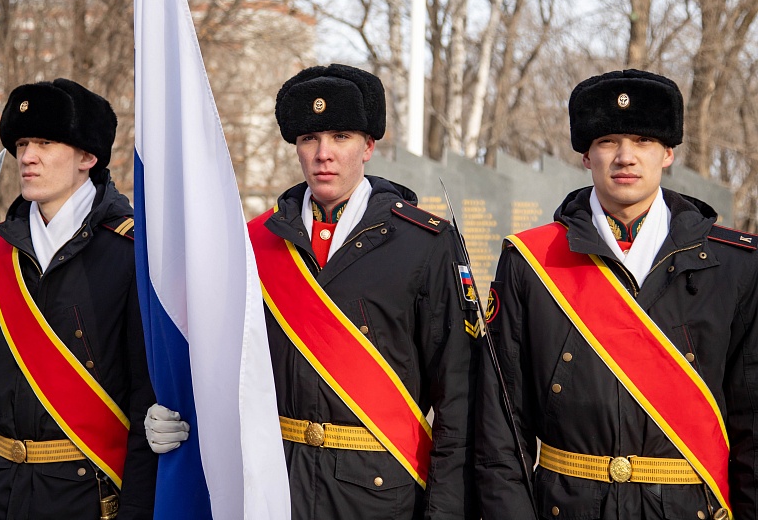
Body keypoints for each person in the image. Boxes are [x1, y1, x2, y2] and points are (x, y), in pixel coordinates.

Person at [145, 64, 481, 519]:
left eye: (341, 136)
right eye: (310, 139)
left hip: (384, 498)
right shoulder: (251, 244)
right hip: (276, 489)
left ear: (368, 146)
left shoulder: (426, 244)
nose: (324, 154)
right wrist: (175, 408)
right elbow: (220, 362)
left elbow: (458, 400)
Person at [475, 69, 758, 519]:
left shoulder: (737, 265)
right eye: (608, 141)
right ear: (586, 156)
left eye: (643, 140)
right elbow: (500, 428)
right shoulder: (530, 262)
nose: (626, 157)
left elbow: (752, 427)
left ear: (668, 152)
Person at [0, 79, 157, 519]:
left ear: (88, 158)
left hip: (87, 497)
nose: (27, 157)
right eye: (22, 144)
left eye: (45, 143)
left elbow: (146, 400)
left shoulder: (132, 251)